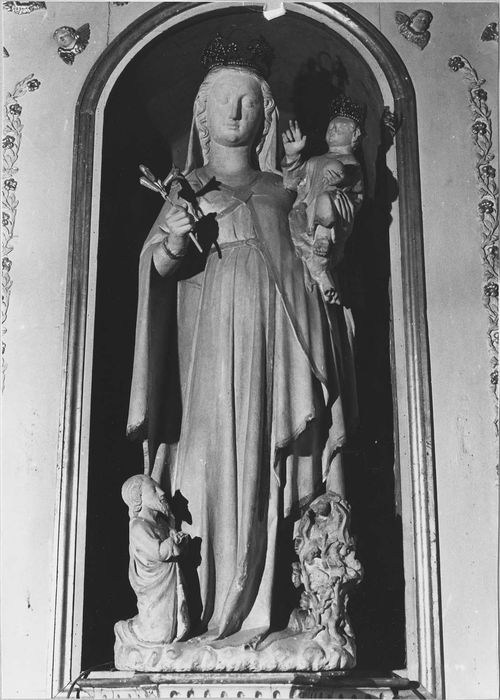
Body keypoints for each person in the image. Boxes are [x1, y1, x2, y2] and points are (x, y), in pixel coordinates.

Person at [126, 36, 358, 647]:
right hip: (203, 349)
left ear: (266, 113)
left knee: (261, 467)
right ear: (202, 115)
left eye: (248, 100)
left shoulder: (282, 190)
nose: (235, 111)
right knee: (201, 464)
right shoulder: (186, 188)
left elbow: (311, 265)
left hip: (271, 349)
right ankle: (200, 610)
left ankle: (259, 611)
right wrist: (175, 238)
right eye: (224, 100)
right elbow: (157, 269)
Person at [281, 97, 364, 305]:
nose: (333, 130)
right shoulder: (314, 161)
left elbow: (356, 189)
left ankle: (323, 243)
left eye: (340, 128)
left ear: (354, 136)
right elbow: (291, 183)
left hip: (336, 214)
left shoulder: (351, 163)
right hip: (306, 214)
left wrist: (341, 180)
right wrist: (292, 156)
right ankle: (321, 273)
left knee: (327, 199)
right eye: (331, 126)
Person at [115, 474, 190, 646]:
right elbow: (159, 553)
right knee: (159, 635)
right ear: (138, 497)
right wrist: (173, 542)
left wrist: (178, 541)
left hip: (168, 585)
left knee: (172, 629)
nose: (162, 492)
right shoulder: (138, 526)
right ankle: (125, 630)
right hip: (155, 589)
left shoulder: (161, 524)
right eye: (154, 489)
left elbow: (172, 552)